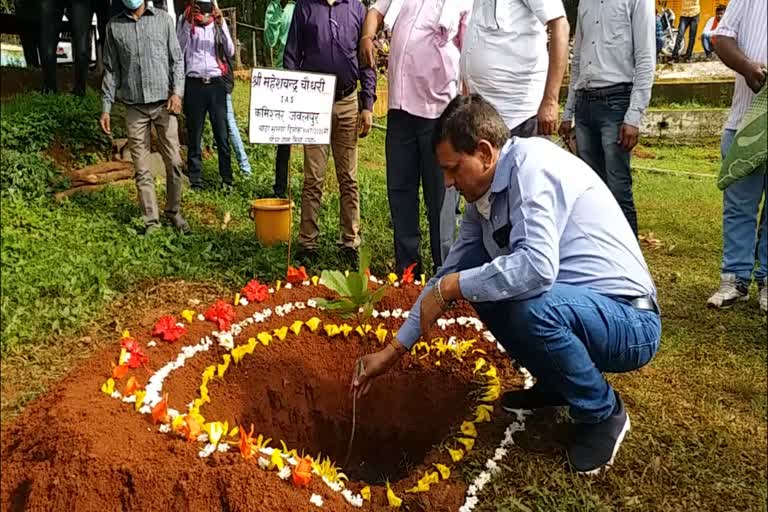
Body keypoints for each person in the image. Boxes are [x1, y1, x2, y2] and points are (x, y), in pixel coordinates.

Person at [351, 94, 661, 475]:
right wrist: (392, 352)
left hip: (630, 320)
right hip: (582, 308)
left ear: (484, 152)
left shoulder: (534, 169)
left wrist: (452, 286)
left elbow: (537, 267)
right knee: (486, 288)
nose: (447, 183)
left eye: (453, 169)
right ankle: (556, 383)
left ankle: (602, 413)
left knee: (516, 298)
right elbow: (441, 280)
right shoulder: (483, 199)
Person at [359, 0, 472, 275]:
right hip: (400, 109)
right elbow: (375, 11)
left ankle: (445, 272)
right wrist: (366, 36)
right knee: (400, 191)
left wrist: (467, 110)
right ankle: (407, 271)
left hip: (440, 114)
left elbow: (470, 53)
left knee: (441, 199)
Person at [283, 0, 376, 266]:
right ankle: (308, 242)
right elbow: (291, 55)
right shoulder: (305, 7)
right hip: (313, 104)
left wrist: (367, 104)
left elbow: (366, 60)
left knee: (349, 177)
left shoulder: (357, 9)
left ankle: (350, 241)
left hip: (348, 102)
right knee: (313, 177)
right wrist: (293, 97)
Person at [559, 0, 655, 237]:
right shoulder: (585, 3)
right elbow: (579, 59)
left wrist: (633, 117)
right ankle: (600, 260)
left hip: (616, 102)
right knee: (589, 192)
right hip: (584, 103)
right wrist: (568, 111)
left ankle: (631, 266)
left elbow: (646, 58)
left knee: (618, 189)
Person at [100, 0, 189, 235]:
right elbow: (111, 70)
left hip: (164, 105)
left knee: (175, 162)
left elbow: (177, 61)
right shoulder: (114, 27)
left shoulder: (163, 20)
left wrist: (177, 94)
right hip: (134, 107)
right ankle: (151, 221)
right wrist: (106, 107)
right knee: (142, 169)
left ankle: (174, 211)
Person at [706, 0, 767, 313]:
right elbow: (722, 38)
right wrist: (747, 67)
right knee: (739, 204)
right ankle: (734, 279)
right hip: (745, 121)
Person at [459, 0, 569, 137]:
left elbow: (560, 26)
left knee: (523, 158)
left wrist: (550, 100)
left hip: (521, 116)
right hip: (483, 114)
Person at [177, 0, 235, 191]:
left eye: (206, 7)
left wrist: (220, 23)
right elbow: (178, 50)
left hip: (216, 83)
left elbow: (230, 51)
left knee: (222, 134)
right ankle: (196, 179)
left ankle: (227, 179)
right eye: (200, 6)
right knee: (195, 134)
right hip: (194, 83)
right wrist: (187, 22)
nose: (203, 11)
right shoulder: (185, 20)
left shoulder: (218, 24)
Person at [264, 0, 296, 198]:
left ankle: (312, 187)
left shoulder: (303, 6)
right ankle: (280, 188)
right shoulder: (273, 8)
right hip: (282, 77)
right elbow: (270, 40)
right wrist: (278, 13)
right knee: (284, 139)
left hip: (306, 76)